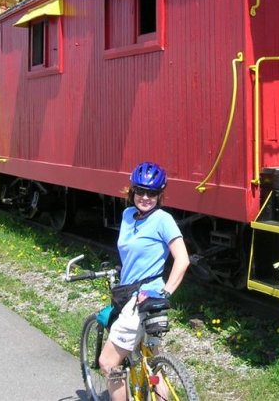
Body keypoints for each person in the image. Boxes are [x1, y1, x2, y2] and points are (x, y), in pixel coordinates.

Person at [98, 161, 190, 401]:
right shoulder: (128, 215)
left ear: (160, 195)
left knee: (108, 362)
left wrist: (165, 293)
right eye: (141, 191)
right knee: (153, 365)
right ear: (132, 191)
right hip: (130, 293)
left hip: (144, 300)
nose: (145, 197)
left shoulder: (163, 219)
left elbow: (182, 259)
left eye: (152, 193)